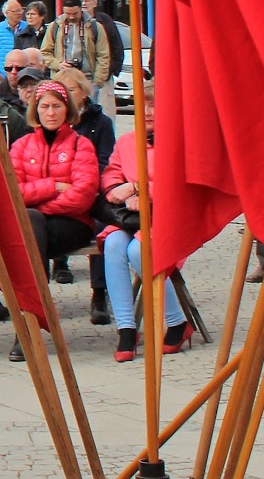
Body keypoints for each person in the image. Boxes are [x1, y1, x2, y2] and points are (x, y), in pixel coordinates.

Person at [7, 82, 98, 361]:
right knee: (32, 226)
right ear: (35, 110)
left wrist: (37, 203)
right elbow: (11, 193)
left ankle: (27, 329)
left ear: (67, 109)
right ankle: (31, 323)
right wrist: (53, 186)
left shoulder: (81, 145)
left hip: (71, 224)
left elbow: (82, 196)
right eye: (45, 106)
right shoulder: (21, 145)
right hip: (35, 227)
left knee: (31, 224)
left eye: (57, 106)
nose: (50, 112)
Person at [98, 126, 190, 361]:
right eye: (145, 107)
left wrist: (140, 189)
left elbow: (180, 185)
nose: (148, 111)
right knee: (113, 244)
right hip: (132, 217)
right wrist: (120, 193)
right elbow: (111, 174)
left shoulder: (177, 141)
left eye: (153, 107)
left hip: (167, 219)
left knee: (138, 250)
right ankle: (126, 329)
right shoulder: (127, 141)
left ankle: (176, 322)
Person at [55, 65, 116, 309]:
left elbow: (106, 162)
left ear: (83, 92)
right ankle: (55, 269)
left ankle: (99, 293)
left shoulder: (100, 123)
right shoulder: (53, 121)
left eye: (70, 90)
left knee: (102, 225)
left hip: (90, 192)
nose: (66, 96)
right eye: (61, 91)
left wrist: (80, 182)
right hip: (59, 192)